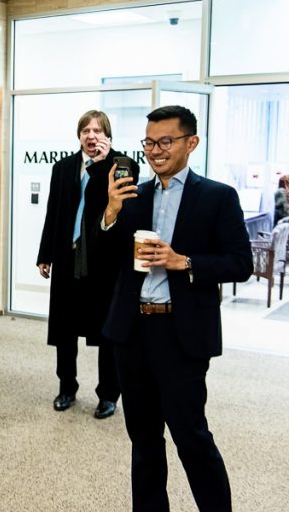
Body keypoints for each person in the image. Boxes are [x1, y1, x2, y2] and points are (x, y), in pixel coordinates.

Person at [100, 105, 252, 511]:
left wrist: (183, 262)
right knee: (144, 441)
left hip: (181, 335)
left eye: (165, 141)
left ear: (191, 143)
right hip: (132, 331)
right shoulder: (134, 194)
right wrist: (111, 213)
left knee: (191, 437)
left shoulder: (218, 197)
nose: (155, 150)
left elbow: (241, 263)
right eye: (149, 142)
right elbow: (106, 260)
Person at [36, 110, 139, 418]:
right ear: (78, 135)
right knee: (65, 328)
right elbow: (54, 212)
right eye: (86, 130)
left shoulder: (122, 165)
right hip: (67, 256)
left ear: (108, 135)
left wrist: (103, 165)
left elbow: (123, 209)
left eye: (98, 130)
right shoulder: (63, 167)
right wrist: (45, 254)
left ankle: (108, 394)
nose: (91, 136)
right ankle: (67, 387)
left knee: (106, 330)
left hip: (104, 261)